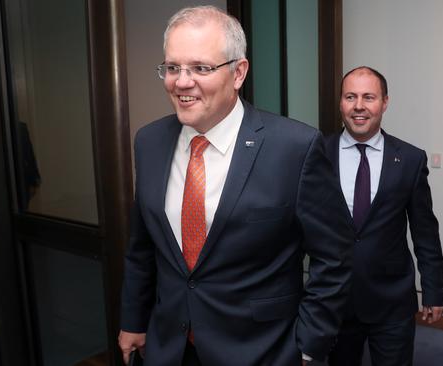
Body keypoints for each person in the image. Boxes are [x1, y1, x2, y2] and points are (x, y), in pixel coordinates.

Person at [118, 6, 353, 366]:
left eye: (200, 68)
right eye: (172, 67)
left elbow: (334, 258)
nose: (182, 81)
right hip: (169, 347)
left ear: (238, 72)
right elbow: (142, 248)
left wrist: (308, 346)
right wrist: (133, 320)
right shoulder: (148, 142)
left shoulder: (295, 148)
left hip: (262, 350)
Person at [324, 66, 443, 366]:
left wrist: (434, 289)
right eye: (350, 97)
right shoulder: (317, 154)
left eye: (369, 97)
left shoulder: (410, 159)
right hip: (334, 301)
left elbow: (424, 231)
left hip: (392, 301)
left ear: (385, 102)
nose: (359, 106)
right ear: (341, 102)